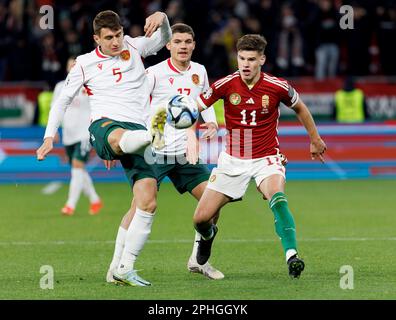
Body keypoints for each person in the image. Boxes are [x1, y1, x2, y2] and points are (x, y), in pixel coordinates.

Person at [36, 10, 172, 286]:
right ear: (96, 38)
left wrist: (163, 17)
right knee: (120, 136)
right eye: (108, 37)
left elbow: (166, 39)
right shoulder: (85, 63)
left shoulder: (135, 46)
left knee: (147, 203)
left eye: (118, 35)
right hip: (104, 127)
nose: (115, 42)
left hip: (137, 130)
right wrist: (50, 135)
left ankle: (120, 268)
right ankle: (152, 135)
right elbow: (62, 100)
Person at [192, 34, 327, 279]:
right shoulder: (225, 84)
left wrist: (315, 138)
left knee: (277, 196)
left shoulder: (277, 86)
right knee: (201, 219)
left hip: (266, 157)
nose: (245, 64)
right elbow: (196, 107)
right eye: (241, 58)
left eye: (251, 59)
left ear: (262, 60)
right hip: (232, 160)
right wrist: (179, 117)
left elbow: (300, 107)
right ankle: (208, 236)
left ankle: (292, 255)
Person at [105, 23, 224, 282]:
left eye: (188, 42)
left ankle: (198, 259)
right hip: (153, 150)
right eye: (178, 41)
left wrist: (211, 120)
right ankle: (115, 267)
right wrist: (116, 144)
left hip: (184, 152)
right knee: (139, 207)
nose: (183, 46)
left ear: (194, 45)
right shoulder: (154, 74)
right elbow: (132, 104)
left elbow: (204, 98)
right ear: (168, 45)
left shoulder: (200, 71)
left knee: (213, 204)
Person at [52, 57, 102, 216]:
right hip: (68, 135)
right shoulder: (60, 87)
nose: (73, 67)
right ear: (67, 68)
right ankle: (95, 199)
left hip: (84, 134)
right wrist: (53, 132)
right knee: (78, 170)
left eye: (76, 65)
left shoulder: (88, 85)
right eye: (70, 65)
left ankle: (70, 205)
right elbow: (56, 108)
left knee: (77, 167)